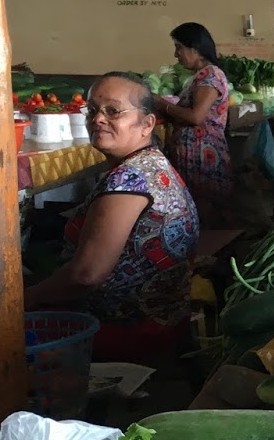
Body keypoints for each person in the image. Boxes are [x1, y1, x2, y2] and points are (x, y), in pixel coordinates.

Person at [26, 73, 199, 362]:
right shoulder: (151, 163)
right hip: (161, 322)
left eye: (113, 111)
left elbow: (86, 275)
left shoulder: (130, 180)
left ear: (147, 124)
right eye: (92, 110)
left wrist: (27, 299)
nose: (98, 119)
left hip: (126, 331)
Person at [154, 22, 230, 227]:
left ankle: (208, 250)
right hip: (195, 151)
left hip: (201, 154)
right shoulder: (202, 76)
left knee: (204, 207)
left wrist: (162, 104)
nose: (176, 54)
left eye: (179, 47)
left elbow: (196, 117)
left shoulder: (210, 75)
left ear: (195, 49)